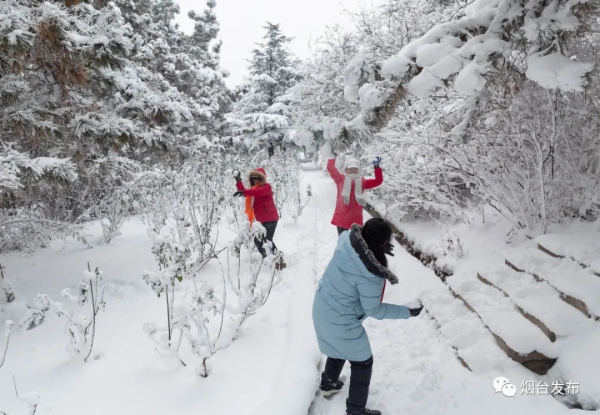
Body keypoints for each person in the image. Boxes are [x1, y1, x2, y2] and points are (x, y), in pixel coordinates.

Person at [312, 218, 423, 415]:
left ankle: (329, 383)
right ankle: (356, 410)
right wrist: (406, 311)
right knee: (363, 362)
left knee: (339, 344)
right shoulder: (371, 275)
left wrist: (377, 248)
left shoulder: (345, 239)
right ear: (383, 243)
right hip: (340, 318)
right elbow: (374, 310)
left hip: (322, 307)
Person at [233, 168, 285, 269]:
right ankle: (269, 258)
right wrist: (238, 181)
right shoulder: (253, 190)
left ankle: (278, 261)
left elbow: (254, 193)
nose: (255, 180)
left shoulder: (266, 187)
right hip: (261, 220)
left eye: (258, 178)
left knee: (266, 240)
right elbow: (245, 192)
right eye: (253, 178)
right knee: (258, 241)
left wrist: (244, 192)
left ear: (262, 178)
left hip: (270, 218)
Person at [328, 156, 383, 236]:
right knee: (344, 243)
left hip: (356, 219)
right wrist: (332, 157)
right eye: (350, 169)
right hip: (342, 218)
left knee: (358, 245)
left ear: (358, 169)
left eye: (355, 168)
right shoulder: (340, 179)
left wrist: (377, 167)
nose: (353, 170)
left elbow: (378, 181)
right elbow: (331, 168)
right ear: (346, 169)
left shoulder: (362, 182)